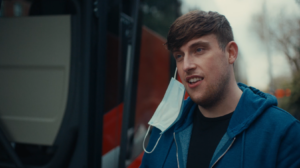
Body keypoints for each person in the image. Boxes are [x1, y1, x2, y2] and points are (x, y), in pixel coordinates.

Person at [140, 10, 300, 168]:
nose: (186, 66)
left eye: (199, 50)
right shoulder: (164, 130)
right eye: (179, 56)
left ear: (230, 53)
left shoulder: (284, 132)